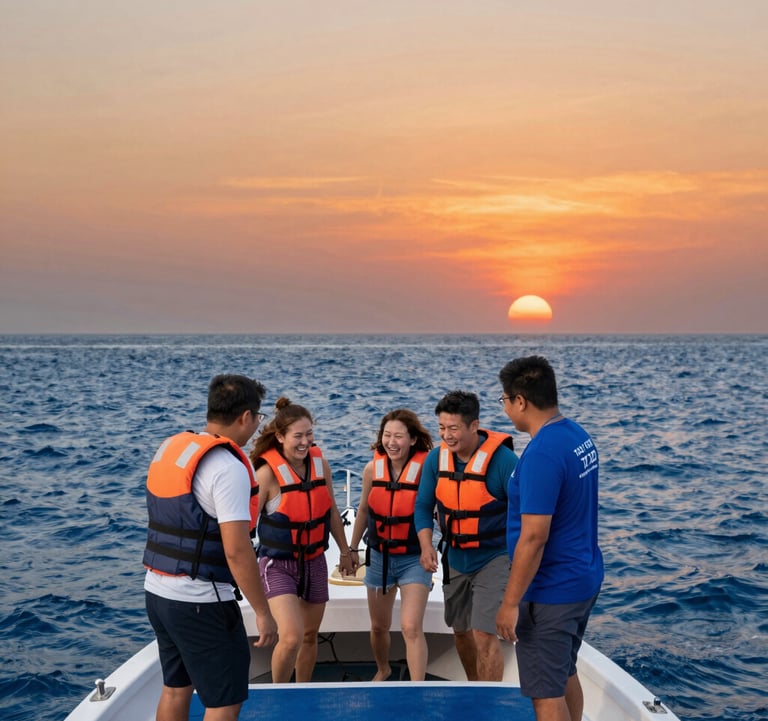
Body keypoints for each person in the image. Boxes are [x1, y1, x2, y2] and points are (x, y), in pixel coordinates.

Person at [143, 374, 278, 721]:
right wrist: (263, 612)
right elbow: (236, 551)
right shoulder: (226, 467)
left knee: (176, 688)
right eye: (258, 418)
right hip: (201, 601)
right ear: (246, 417)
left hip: (158, 593)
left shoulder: (171, 450)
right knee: (223, 701)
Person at [496, 356, 604, 721]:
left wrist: (510, 603)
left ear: (521, 401)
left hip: (552, 591)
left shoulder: (542, 453)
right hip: (583, 579)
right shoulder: (577, 435)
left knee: (545, 695)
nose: (506, 407)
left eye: (505, 400)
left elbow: (534, 538)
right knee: (563, 671)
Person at [250, 397, 357, 683]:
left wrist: (345, 551)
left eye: (309, 434)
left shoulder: (321, 466)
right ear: (280, 436)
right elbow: (244, 526)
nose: (305, 441)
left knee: (310, 636)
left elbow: (331, 510)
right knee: (292, 636)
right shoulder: (266, 474)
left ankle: (302, 690)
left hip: (314, 560)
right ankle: (278, 694)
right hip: (277, 564)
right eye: (298, 435)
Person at [414, 390, 518, 681]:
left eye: (454, 428)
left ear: (474, 425)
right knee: (460, 632)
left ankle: (489, 701)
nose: (447, 435)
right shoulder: (436, 459)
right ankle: (475, 688)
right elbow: (423, 506)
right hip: (455, 558)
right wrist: (426, 545)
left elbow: (527, 515)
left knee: (484, 635)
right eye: (442, 428)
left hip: (495, 557)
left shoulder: (504, 462)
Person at [349, 409, 435, 681]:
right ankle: (383, 668)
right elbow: (363, 510)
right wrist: (351, 550)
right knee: (379, 626)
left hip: (414, 559)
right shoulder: (371, 469)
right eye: (387, 435)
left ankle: (417, 687)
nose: (392, 442)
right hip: (379, 558)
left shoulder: (425, 470)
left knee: (411, 627)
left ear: (412, 439)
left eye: (399, 436)